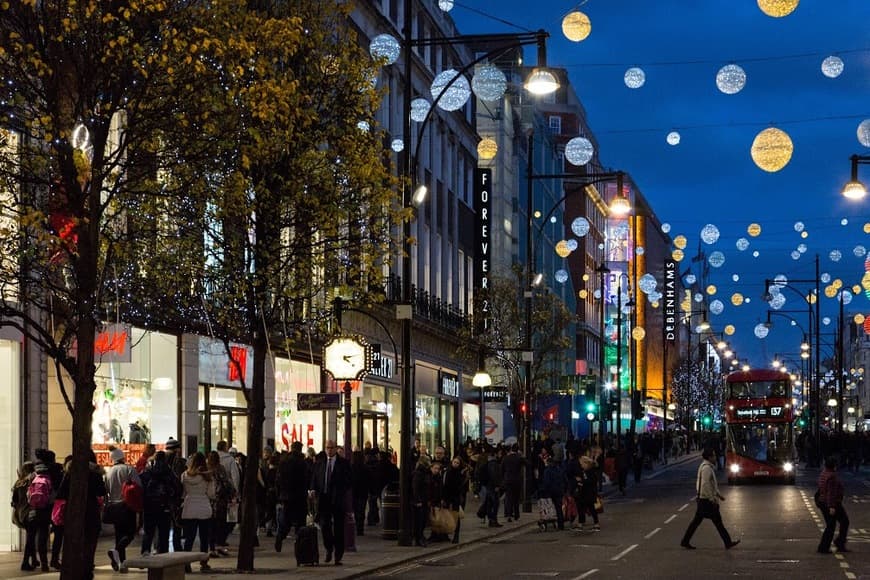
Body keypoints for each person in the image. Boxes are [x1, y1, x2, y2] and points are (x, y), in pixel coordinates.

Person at [680, 448, 740, 550]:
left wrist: (719, 495)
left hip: (703, 500)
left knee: (697, 522)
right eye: (714, 456)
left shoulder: (705, 467)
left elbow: (711, 484)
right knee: (717, 522)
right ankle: (728, 542)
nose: (715, 458)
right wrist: (712, 498)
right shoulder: (706, 468)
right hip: (706, 501)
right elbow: (706, 485)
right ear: (709, 457)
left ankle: (685, 541)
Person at [309, 439, 351, 565]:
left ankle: (338, 554)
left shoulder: (343, 463)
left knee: (339, 528)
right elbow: (315, 479)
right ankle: (329, 548)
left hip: (337, 500)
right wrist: (312, 490)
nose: (329, 450)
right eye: (327, 448)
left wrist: (341, 490)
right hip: (324, 499)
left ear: (335, 448)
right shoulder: (320, 463)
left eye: (331, 448)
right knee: (324, 525)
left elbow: (349, 480)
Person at [105, 448, 141, 572]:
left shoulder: (108, 473)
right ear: (122, 457)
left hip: (113, 506)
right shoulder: (128, 469)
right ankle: (116, 552)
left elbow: (106, 491)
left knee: (119, 534)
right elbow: (138, 486)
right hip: (127, 505)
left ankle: (121, 563)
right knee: (130, 534)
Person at [139, 451, 182, 556]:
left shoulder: (147, 472)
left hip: (149, 506)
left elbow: (141, 487)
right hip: (165, 506)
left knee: (148, 532)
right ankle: (162, 553)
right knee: (164, 533)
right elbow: (178, 488)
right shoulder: (169, 472)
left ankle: (145, 552)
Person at [181, 452, 214, 572]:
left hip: (189, 507)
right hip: (204, 508)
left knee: (189, 538)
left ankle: (186, 563)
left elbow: (183, 492)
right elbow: (211, 494)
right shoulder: (208, 477)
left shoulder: (184, 475)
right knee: (204, 538)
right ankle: (204, 563)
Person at [817, 455, 849, 553]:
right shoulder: (832, 477)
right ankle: (830, 545)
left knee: (832, 524)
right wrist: (832, 506)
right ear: (834, 465)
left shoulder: (824, 473)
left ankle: (829, 545)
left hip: (823, 502)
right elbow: (831, 492)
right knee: (843, 522)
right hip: (832, 503)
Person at [206, 451, 234, 558]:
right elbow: (226, 483)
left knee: (211, 525)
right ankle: (218, 544)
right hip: (220, 501)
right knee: (221, 523)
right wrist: (232, 494)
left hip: (210, 501)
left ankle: (212, 546)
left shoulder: (206, 469)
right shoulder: (220, 469)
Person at [164, 438, 187, 553]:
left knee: (163, 526)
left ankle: (160, 548)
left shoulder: (157, 461)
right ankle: (177, 546)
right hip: (176, 498)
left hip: (162, 498)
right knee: (177, 525)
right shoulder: (181, 462)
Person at [442, 456, 468, 544]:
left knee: (456, 516)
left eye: (457, 463)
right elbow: (445, 485)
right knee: (447, 516)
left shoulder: (460, 474)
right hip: (448, 497)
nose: (455, 464)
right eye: (454, 462)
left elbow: (461, 487)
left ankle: (456, 535)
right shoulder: (448, 472)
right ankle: (446, 534)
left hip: (456, 498)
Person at [411, 455, 432, 547]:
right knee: (419, 520)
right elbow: (415, 488)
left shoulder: (425, 472)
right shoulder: (418, 473)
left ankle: (420, 536)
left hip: (425, 499)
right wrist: (417, 500)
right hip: (420, 500)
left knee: (423, 520)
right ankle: (418, 538)